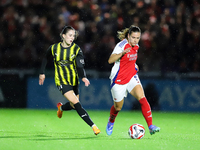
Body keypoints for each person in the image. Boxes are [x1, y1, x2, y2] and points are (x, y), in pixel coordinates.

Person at [39, 26, 101, 135]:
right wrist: (42, 72)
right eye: (70, 35)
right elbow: (45, 57)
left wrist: (83, 77)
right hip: (61, 81)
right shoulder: (54, 48)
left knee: (73, 105)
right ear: (63, 36)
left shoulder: (76, 49)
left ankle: (61, 108)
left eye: (73, 36)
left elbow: (80, 66)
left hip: (74, 81)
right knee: (77, 103)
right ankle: (94, 126)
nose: (72, 38)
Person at [106, 25, 160, 136]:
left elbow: (130, 59)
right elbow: (110, 60)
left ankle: (150, 126)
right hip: (118, 79)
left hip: (131, 76)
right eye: (133, 37)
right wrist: (122, 53)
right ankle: (111, 121)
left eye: (137, 38)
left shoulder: (136, 46)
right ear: (128, 36)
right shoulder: (121, 45)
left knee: (142, 98)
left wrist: (134, 65)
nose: (135, 40)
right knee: (118, 107)